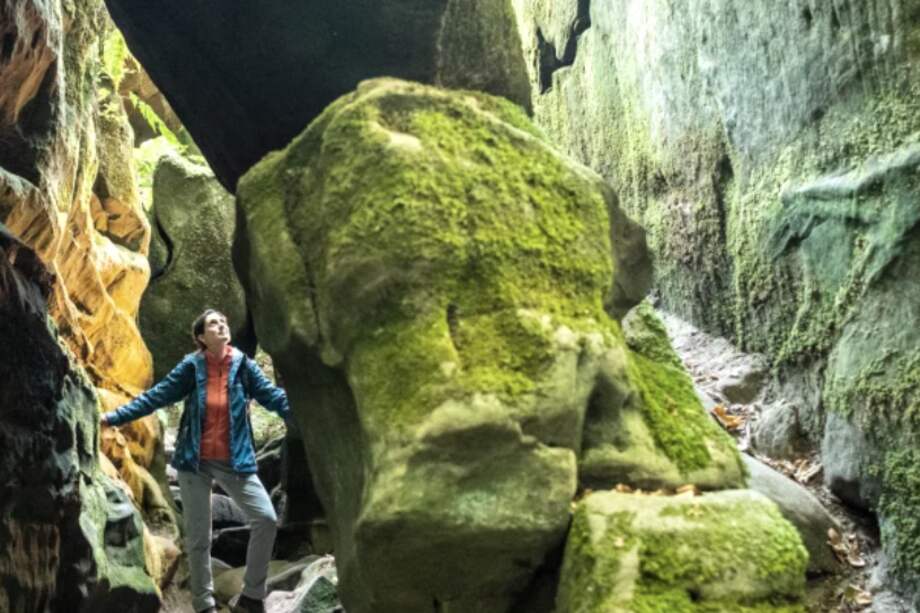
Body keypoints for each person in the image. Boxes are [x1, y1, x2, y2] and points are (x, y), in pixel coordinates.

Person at [101, 308, 290, 613]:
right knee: (200, 538)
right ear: (202, 337)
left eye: (223, 321)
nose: (222, 325)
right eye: (214, 323)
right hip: (195, 463)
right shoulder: (192, 367)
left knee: (266, 518)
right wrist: (115, 417)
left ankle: (252, 596)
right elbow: (157, 396)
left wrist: (305, 416)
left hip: (235, 460)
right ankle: (204, 604)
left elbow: (273, 398)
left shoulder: (243, 366)